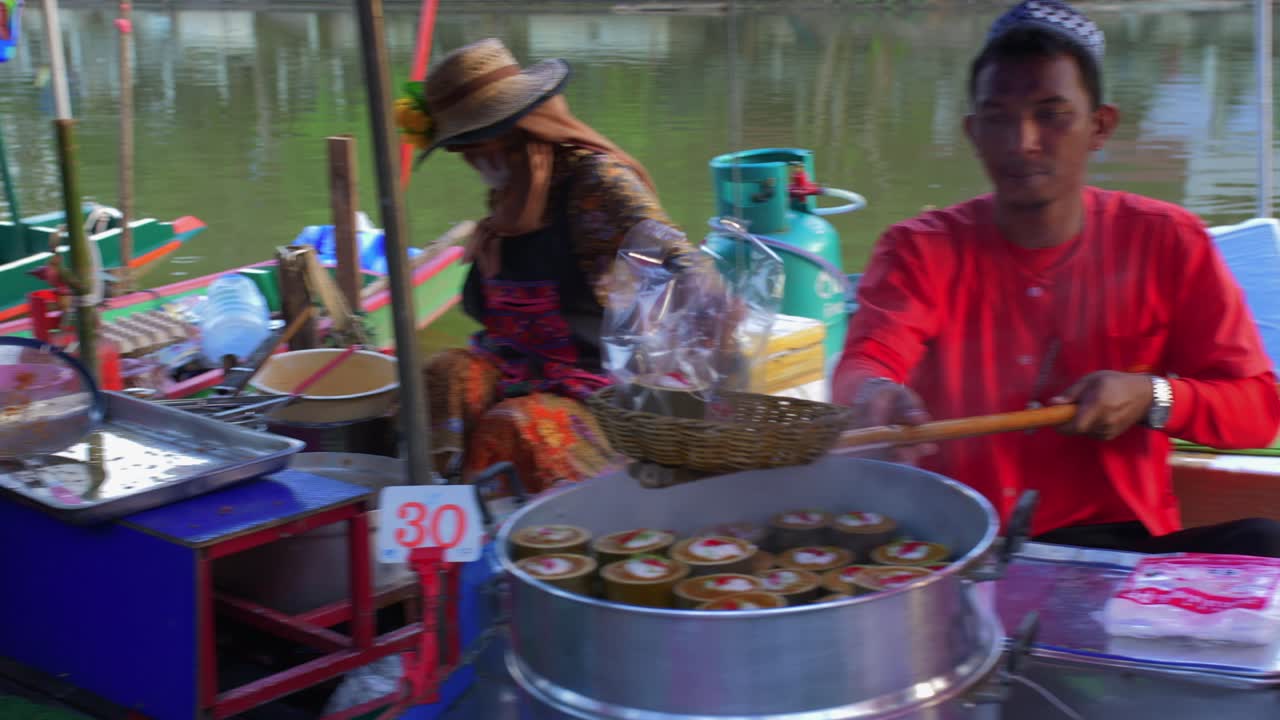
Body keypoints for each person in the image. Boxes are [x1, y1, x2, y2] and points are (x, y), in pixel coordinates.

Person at [833, 0, 1280, 557]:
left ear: (1100, 126)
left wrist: (1151, 396)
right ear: (973, 132)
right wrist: (874, 396)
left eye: (1052, 113)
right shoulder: (919, 249)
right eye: (998, 118)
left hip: (1122, 551)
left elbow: (1258, 412)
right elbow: (867, 362)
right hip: (962, 547)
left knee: (1264, 540)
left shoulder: (1168, 240)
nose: (1022, 141)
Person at [396, 38, 715, 494]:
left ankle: (534, 529)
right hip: (520, 369)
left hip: (602, 386)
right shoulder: (512, 192)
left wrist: (706, 313)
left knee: (514, 426)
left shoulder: (596, 184)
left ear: (516, 129)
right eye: (460, 146)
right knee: (442, 376)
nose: (468, 158)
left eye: (475, 142)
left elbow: (679, 263)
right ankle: (446, 504)